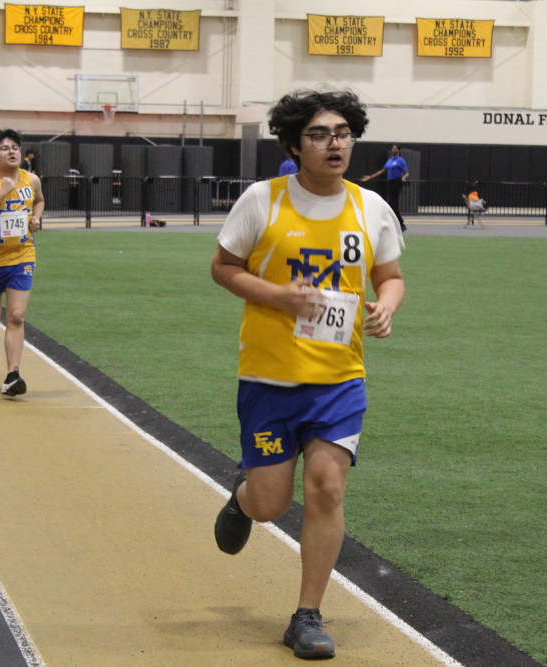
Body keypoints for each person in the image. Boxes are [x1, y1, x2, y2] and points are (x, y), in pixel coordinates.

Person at [210, 89, 405, 660]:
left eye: (342, 133)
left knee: (326, 488)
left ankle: (307, 615)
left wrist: (387, 306)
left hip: (339, 379)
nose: (334, 143)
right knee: (271, 504)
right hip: (269, 378)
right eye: (319, 135)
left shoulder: (371, 207)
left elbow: (390, 275)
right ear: (295, 146)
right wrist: (278, 296)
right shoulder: (262, 200)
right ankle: (244, 498)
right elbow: (223, 267)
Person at [0, 128, 44, 397]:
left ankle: (13, 374)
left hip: (22, 256)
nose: (11, 151)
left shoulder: (31, 179)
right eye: (4, 148)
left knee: (15, 316)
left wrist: (36, 219)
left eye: (15, 147)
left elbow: (40, 201)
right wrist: (1, 192)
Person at [361, 144, 409, 231]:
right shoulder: (390, 160)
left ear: (399, 150)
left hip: (397, 182)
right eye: (392, 148)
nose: (393, 150)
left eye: (395, 148)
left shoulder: (400, 160)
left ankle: (393, 224)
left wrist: (404, 177)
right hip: (390, 182)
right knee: (394, 205)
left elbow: (406, 173)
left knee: (391, 203)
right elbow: (382, 171)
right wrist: (370, 177)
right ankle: (401, 224)